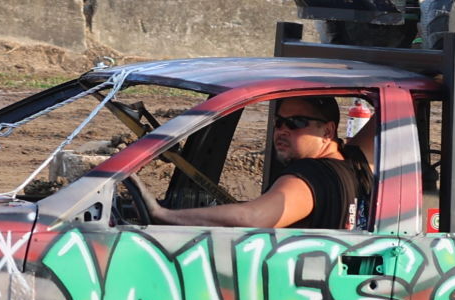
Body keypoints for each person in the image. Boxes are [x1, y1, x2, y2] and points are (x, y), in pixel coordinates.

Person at [139, 95, 372, 230]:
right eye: (278, 122)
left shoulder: (310, 175)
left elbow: (252, 218)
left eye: (296, 122)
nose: (282, 130)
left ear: (328, 131)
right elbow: (398, 112)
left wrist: (165, 216)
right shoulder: (354, 162)